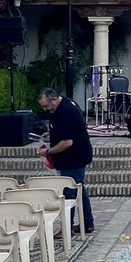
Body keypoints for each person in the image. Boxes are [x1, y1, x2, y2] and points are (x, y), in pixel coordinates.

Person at [35, 87, 95, 234]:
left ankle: (67, 228)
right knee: (79, 188)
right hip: (76, 155)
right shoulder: (62, 106)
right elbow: (64, 130)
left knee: (69, 191)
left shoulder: (67, 111)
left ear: (54, 99)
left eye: (46, 105)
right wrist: (52, 133)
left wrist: (47, 151)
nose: (45, 109)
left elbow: (67, 142)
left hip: (74, 157)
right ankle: (87, 223)